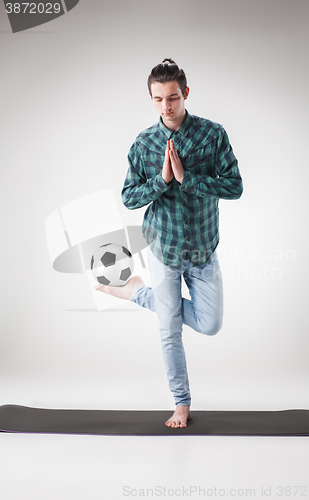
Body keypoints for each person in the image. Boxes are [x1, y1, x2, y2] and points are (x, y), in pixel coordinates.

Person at [95, 59, 243, 428]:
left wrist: (187, 178)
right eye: (159, 99)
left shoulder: (212, 135)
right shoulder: (144, 143)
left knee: (210, 324)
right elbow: (129, 198)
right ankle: (181, 403)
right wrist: (162, 180)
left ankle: (136, 293)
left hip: (203, 249)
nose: (167, 106)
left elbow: (235, 186)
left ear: (185, 94)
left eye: (173, 97)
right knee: (170, 328)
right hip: (164, 249)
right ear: (151, 98)